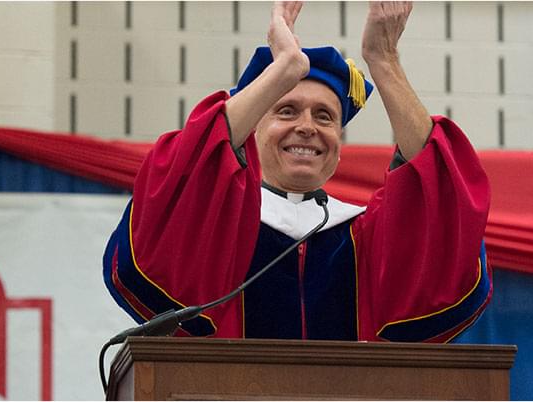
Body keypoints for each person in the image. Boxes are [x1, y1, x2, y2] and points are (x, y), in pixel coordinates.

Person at [103, 1, 491, 343]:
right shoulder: (215, 230)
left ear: (338, 144)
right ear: (254, 131)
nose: (307, 126)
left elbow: (440, 198)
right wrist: (283, 69)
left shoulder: (364, 239)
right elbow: (179, 182)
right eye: (286, 110)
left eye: (325, 117)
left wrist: (383, 59)